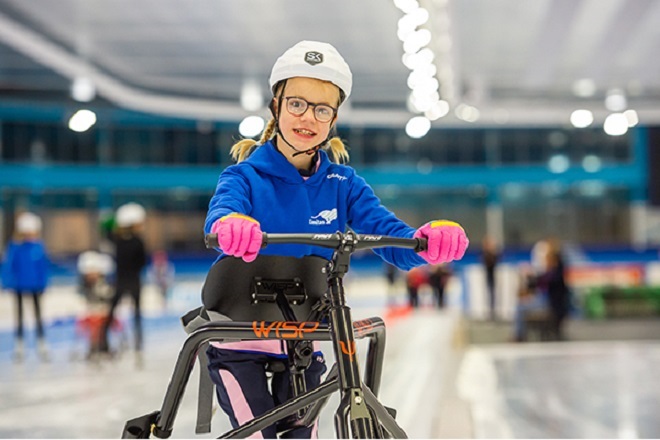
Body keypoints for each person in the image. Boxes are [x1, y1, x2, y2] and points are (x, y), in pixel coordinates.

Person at [201, 40, 469, 438]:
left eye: (322, 109)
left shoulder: (343, 184)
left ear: (334, 119)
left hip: (304, 339)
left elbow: (389, 235)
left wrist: (425, 241)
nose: (307, 117)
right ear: (276, 105)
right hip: (241, 339)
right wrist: (231, 225)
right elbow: (223, 214)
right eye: (297, 104)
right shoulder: (244, 177)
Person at [99, 203, 148, 365]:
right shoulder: (137, 241)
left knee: (112, 313)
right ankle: (138, 345)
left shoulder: (117, 240)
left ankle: (103, 344)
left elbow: (106, 232)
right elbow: (143, 261)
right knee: (136, 315)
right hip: (133, 281)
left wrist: (109, 220)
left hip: (120, 280)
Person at [1, 212, 50, 361]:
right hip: (19, 286)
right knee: (19, 316)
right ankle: (19, 344)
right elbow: (9, 266)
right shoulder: (15, 247)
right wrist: (8, 283)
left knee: (38, 315)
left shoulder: (38, 247)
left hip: (35, 286)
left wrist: (43, 283)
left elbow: (43, 267)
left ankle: (41, 343)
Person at [481, 236, 500, 320]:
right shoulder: (486, 254)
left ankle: (493, 310)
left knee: (493, 293)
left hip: (493, 275)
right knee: (489, 292)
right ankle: (490, 310)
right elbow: (487, 262)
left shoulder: (493, 254)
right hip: (488, 275)